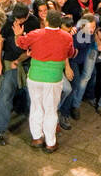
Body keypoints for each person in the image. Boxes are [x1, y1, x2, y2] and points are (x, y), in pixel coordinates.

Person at [17, 8, 75, 152]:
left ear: (46, 21)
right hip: (54, 79)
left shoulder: (36, 34)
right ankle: (50, 143)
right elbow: (70, 53)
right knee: (50, 110)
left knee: (36, 107)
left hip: (35, 76)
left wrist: (18, 34)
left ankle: (37, 138)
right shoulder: (67, 37)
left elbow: (21, 43)